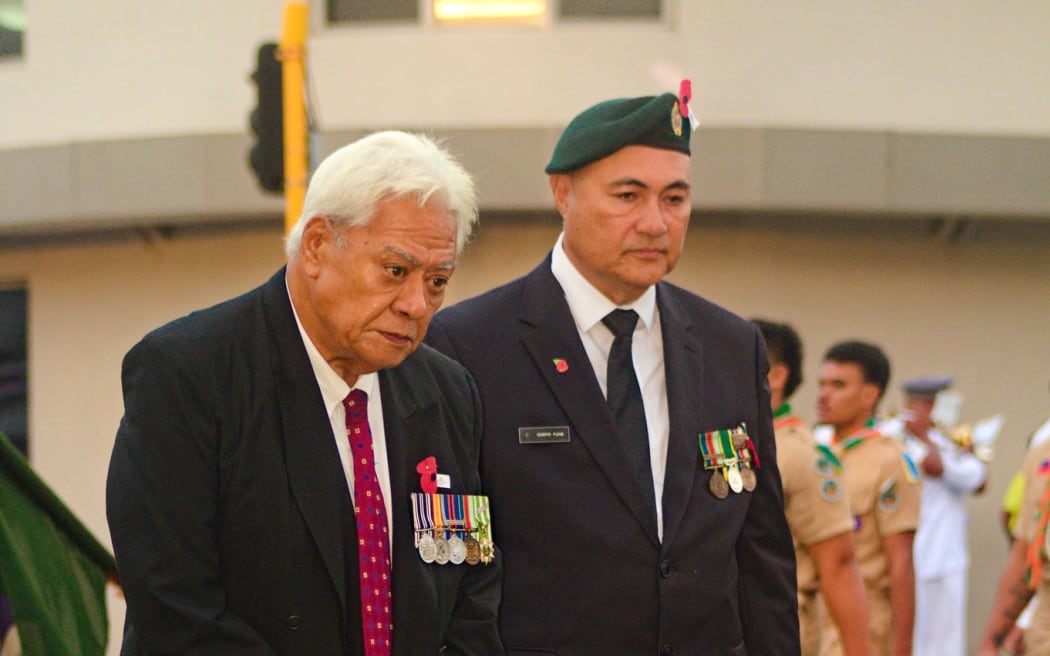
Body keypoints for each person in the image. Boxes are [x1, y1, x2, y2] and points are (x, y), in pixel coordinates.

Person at [425, 85, 800, 654]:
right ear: (562, 193)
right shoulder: (470, 345)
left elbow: (762, 556)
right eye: (628, 195)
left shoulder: (729, 346)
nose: (655, 222)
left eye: (674, 199)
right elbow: (455, 567)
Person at [106, 131, 503, 655]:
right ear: (316, 245)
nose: (416, 304)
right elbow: (177, 614)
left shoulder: (449, 392)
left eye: (437, 281)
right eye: (395, 271)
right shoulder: (187, 375)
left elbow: (471, 584)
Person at [753, 319, 871, 656]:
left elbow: (840, 565)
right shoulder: (728, 439)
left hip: (779, 636)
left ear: (776, 375)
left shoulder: (801, 455)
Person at [816, 341, 920, 656]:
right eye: (822, 384)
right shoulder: (817, 454)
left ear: (869, 395)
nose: (823, 394)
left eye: (838, 385)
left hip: (862, 627)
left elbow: (900, 562)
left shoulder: (889, 460)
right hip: (813, 620)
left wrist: (902, 648)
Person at [898, 376, 986, 656]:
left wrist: (940, 442)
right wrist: (924, 437)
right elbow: (934, 466)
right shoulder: (897, 435)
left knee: (948, 643)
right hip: (914, 556)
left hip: (947, 557)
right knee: (915, 640)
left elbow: (979, 479)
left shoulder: (945, 439)